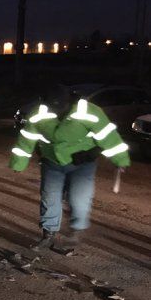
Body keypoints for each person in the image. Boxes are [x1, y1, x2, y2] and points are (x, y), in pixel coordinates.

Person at [10, 85, 131, 250]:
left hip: (82, 163)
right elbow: (27, 139)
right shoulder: (39, 114)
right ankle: (48, 234)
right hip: (51, 162)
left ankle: (76, 231)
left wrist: (120, 160)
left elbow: (108, 136)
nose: (56, 110)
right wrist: (19, 162)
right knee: (49, 197)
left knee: (79, 198)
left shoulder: (89, 112)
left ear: (70, 101)